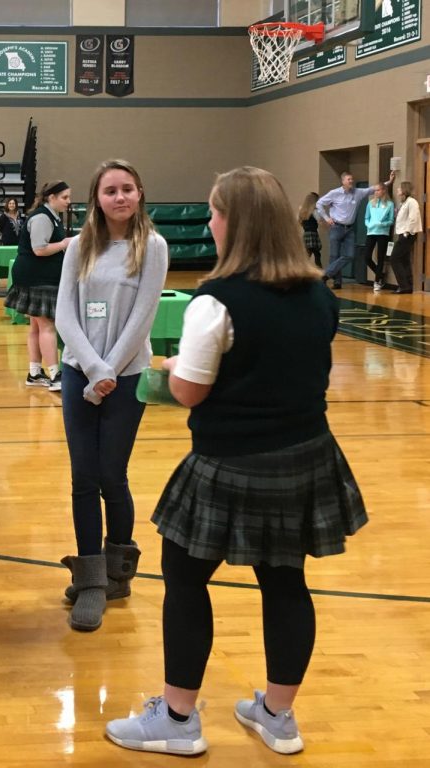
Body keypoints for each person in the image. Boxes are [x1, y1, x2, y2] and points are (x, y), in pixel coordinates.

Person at [105, 167, 367, 757]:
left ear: (237, 224)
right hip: (305, 455)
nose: (210, 222)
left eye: (215, 212)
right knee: (286, 582)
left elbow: (192, 391)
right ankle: (277, 714)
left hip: (230, 460)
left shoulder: (216, 301)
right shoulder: (320, 296)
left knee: (185, 578)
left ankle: (176, 720)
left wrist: (172, 370)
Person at [55, 160, 168, 632]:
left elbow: (143, 317)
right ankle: (91, 578)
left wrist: (110, 373)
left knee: (110, 476)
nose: (119, 197)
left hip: (126, 379)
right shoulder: (79, 245)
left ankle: (117, 567)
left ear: (140, 193)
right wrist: (93, 369)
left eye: (127, 189)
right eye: (109, 191)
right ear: (96, 198)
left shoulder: (153, 247)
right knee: (83, 477)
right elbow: (64, 314)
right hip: (81, 372)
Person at [5, 180, 74, 392]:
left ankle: (34, 373)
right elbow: (40, 249)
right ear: (50, 197)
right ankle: (55, 374)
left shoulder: (50, 216)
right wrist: (65, 244)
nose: (68, 202)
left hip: (36, 277)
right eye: (64, 197)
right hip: (37, 278)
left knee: (36, 326)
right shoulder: (43, 217)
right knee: (47, 326)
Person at [317, 170, 394, 289]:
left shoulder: (358, 192)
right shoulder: (334, 193)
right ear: (343, 181)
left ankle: (326, 274)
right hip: (336, 227)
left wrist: (389, 181)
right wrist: (326, 218)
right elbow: (319, 204)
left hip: (349, 229)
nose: (351, 181)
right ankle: (337, 282)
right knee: (334, 255)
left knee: (350, 255)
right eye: (349, 179)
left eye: (352, 179)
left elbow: (375, 188)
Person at [389, 180, 422, 294]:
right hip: (403, 234)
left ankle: (403, 285)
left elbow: (413, 218)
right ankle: (408, 285)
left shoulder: (412, 202)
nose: (398, 190)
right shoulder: (404, 202)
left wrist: (406, 232)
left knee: (394, 259)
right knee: (404, 260)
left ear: (404, 190)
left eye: (399, 188)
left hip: (407, 235)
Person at [363, 183, 395, 292]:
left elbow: (391, 221)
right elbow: (366, 218)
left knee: (380, 257)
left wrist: (382, 224)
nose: (375, 192)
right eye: (374, 190)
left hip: (383, 233)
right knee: (367, 257)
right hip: (371, 232)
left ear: (383, 191)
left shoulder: (390, 204)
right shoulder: (370, 203)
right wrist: (369, 225)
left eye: (378, 190)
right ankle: (381, 275)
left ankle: (377, 281)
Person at [297, 192, 321, 267]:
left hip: (306, 233)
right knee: (315, 254)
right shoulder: (314, 211)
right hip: (313, 233)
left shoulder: (302, 211)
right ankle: (320, 271)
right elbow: (319, 220)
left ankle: (302, 268)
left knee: (309, 253)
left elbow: (299, 221)